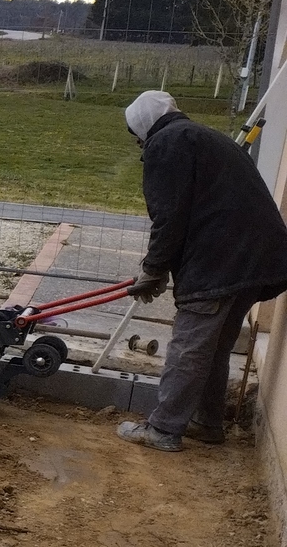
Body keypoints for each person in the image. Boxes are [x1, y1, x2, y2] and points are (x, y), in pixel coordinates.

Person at [116, 89, 287, 451]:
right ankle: (206, 421)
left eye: (137, 139)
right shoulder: (204, 137)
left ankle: (163, 429)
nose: (139, 145)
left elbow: (169, 215)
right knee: (214, 346)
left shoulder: (166, 144)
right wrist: (158, 270)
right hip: (257, 258)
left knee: (189, 346)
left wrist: (153, 268)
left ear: (143, 127)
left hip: (221, 260)